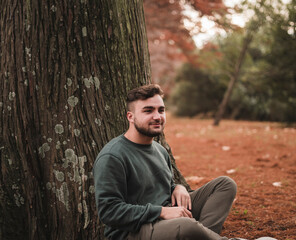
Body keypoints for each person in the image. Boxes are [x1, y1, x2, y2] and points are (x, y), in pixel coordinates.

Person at [93, 84, 276, 240]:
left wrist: (178, 187)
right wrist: (161, 212)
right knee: (188, 226)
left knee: (225, 185)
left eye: (161, 110)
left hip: (169, 216)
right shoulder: (113, 156)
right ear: (130, 117)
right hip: (134, 231)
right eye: (148, 111)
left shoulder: (159, 150)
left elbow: (165, 185)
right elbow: (109, 211)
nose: (157, 116)